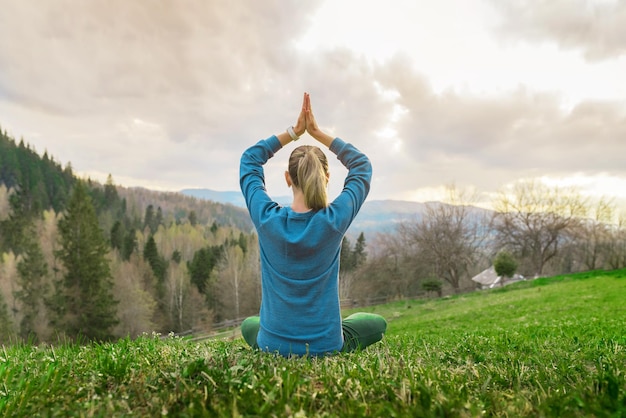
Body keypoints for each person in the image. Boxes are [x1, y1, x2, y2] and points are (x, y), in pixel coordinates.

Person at [239, 92, 387, 357]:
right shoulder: (333, 221)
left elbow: (250, 160)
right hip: (325, 346)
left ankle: (277, 335)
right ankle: (327, 330)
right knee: (376, 323)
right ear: (326, 178)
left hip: (271, 345)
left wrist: (293, 133)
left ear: (287, 178)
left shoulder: (266, 219)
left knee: (250, 325)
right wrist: (317, 133)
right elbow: (361, 166)